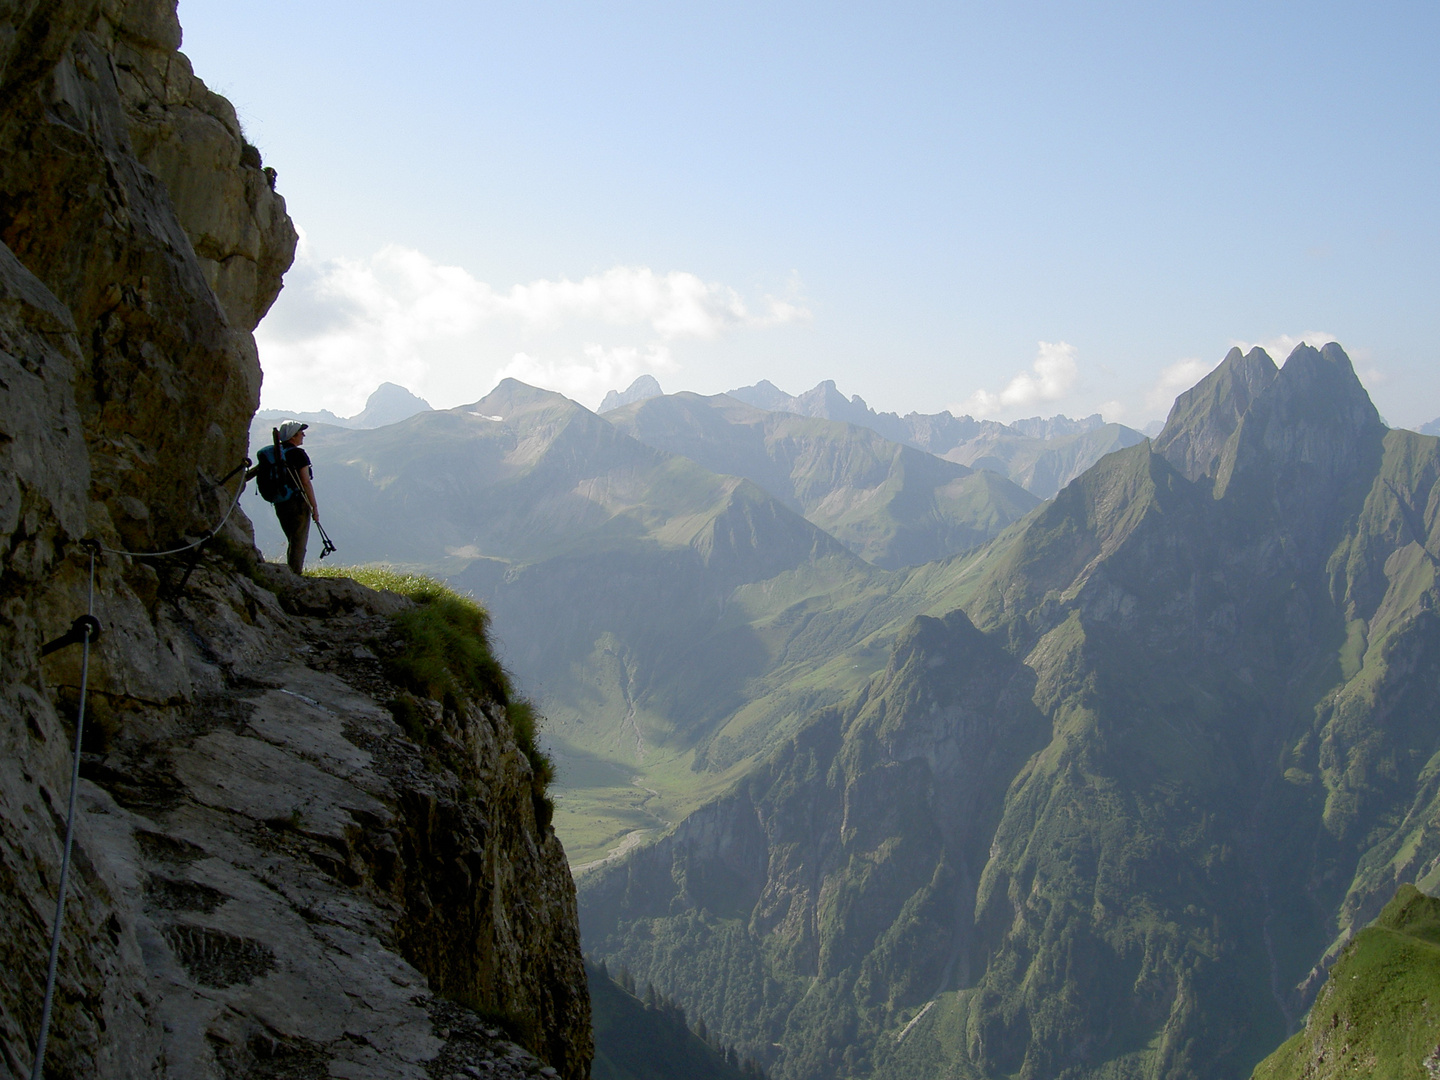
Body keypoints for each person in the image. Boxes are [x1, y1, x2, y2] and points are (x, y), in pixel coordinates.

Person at [269, 420, 320, 573]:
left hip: (280, 502)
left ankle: (290, 573)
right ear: (292, 437)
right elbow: (305, 482)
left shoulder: (276, 454)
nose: (303, 435)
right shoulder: (298, 454)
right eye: (300, 432)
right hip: (298, 503)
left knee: (291, 538)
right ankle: (295, 575)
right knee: (298, 542)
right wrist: (314, 507)